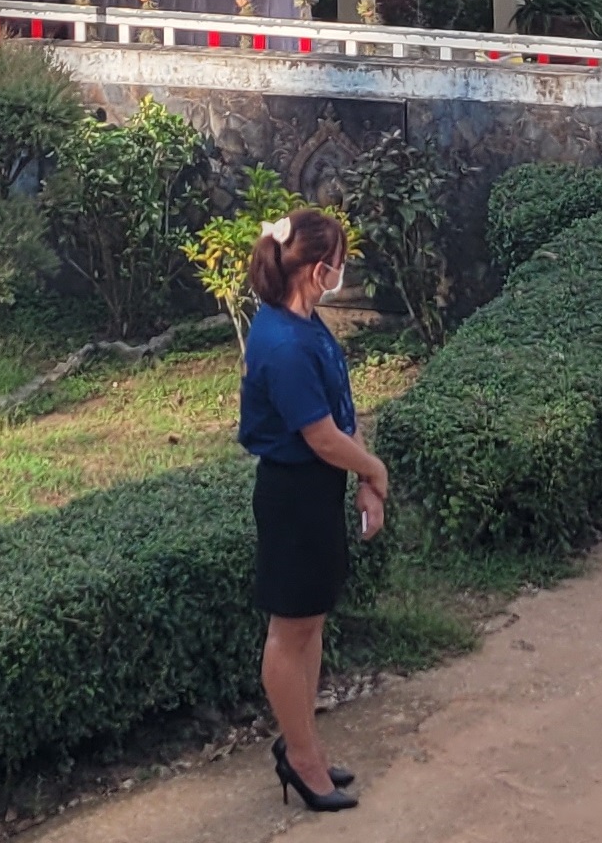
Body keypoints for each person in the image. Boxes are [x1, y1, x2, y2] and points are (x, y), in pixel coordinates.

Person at [241, 208, 389, 815]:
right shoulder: (282, 344)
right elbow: (320, 435)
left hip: (316, 491)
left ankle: (306, 743)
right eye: (339, 260)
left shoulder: (303, 323)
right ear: (317, 268)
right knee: (291, 628)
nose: (343, 269)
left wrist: (360, 477)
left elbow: (338, 420)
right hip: (294, 495)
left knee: (310, 622)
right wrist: (373, 470)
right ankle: (299, 758)